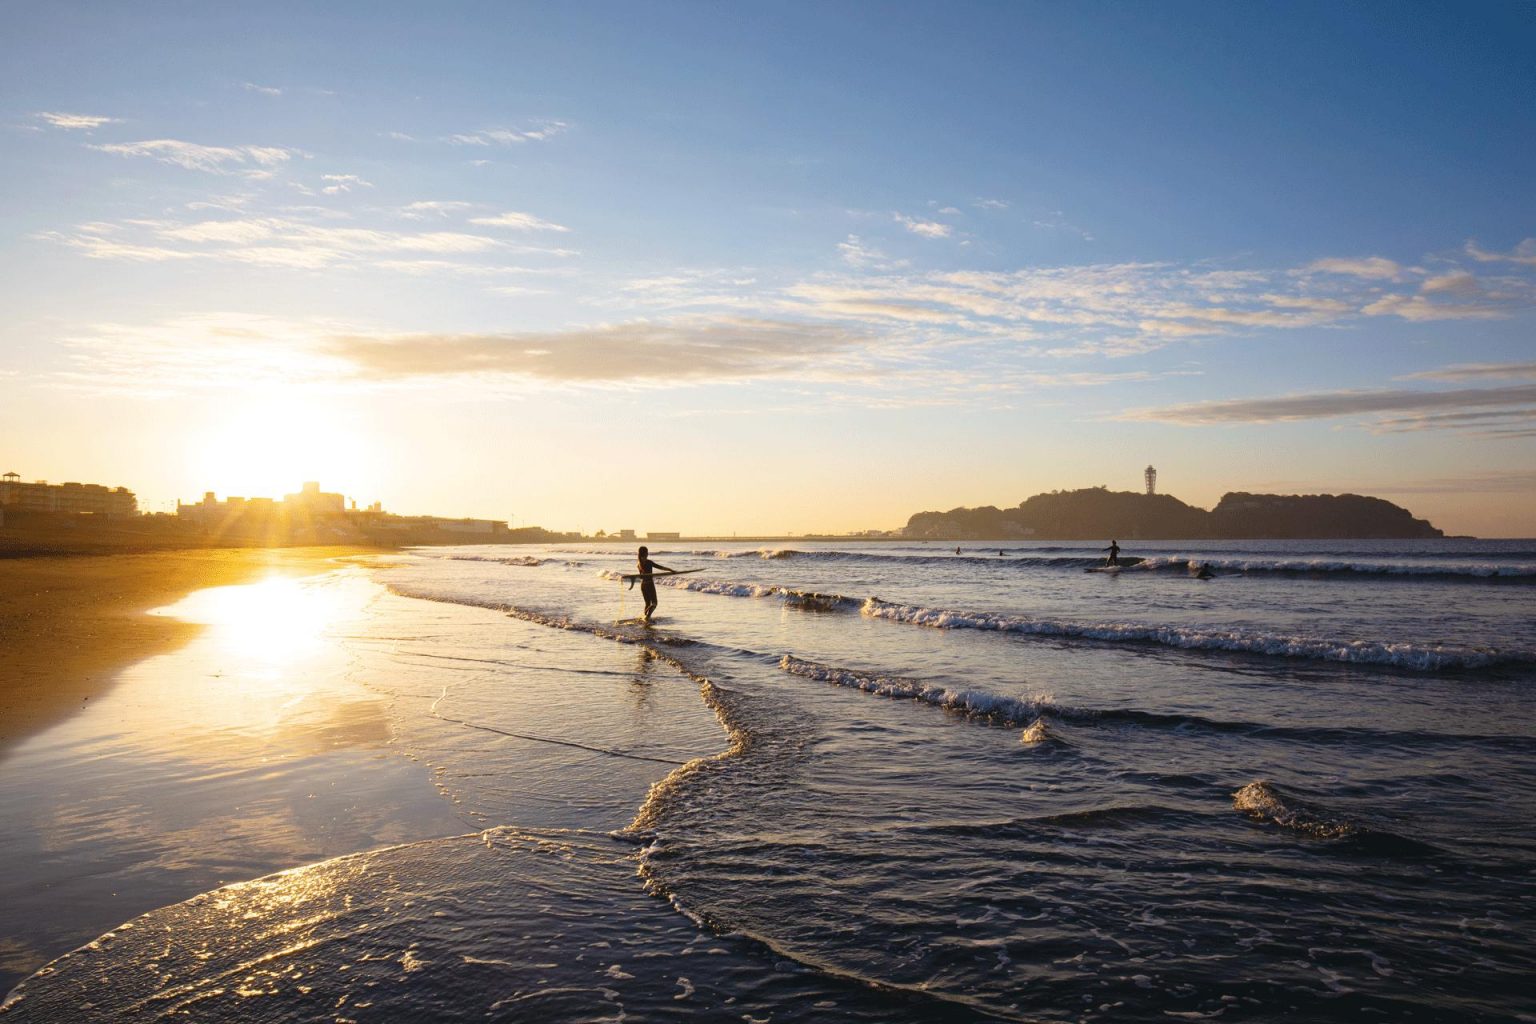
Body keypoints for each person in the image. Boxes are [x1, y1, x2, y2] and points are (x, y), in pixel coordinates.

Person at [636, 545, 673, 622]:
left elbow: (641, 577)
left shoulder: (638, 564)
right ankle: (647, 617)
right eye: (647, 552)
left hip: (643, 584)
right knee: (655, 603)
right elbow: (659, 567)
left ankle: (645, 616)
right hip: (649, 584)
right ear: (646, 553)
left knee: (647, 603)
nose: (648, 553)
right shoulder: (649, 562)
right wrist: (669, 569)